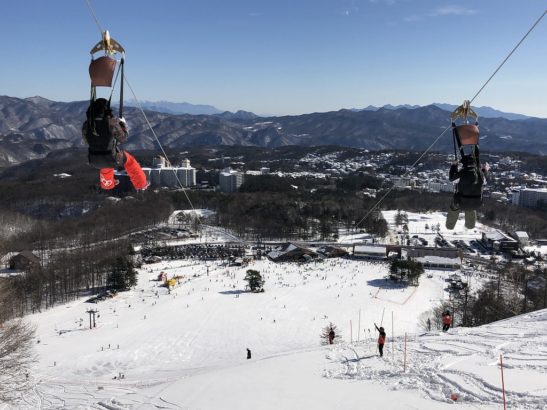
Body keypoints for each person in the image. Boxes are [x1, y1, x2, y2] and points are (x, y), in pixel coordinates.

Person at [82, 98, 148, 191]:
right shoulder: (111, 123)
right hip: (111, 158)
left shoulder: (87, 124)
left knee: (105, 161)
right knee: (129, 161)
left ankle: (107, 184)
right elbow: (123, 138)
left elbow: (86, 140)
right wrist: (123, 125)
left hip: (93, 159)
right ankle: (141, 184)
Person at [445, 155, 489, 230]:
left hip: (460, 202)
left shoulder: (462, 173)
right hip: (476, 203)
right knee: (470, 208)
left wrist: (454, 166)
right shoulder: (480, 174)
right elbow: (484, 181)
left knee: (455, 207)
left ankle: (450, 225)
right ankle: (470, 225)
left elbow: (452, 179)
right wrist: (485, 170)